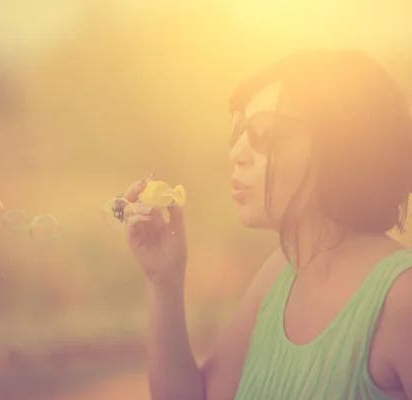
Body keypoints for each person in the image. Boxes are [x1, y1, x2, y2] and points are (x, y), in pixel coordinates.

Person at [122, 49, 412, 400]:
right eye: (239, 130)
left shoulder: (401, 298)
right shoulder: (280, 274)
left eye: (263, 131)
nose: (237, 153)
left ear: (343, 144)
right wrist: (163, 279)